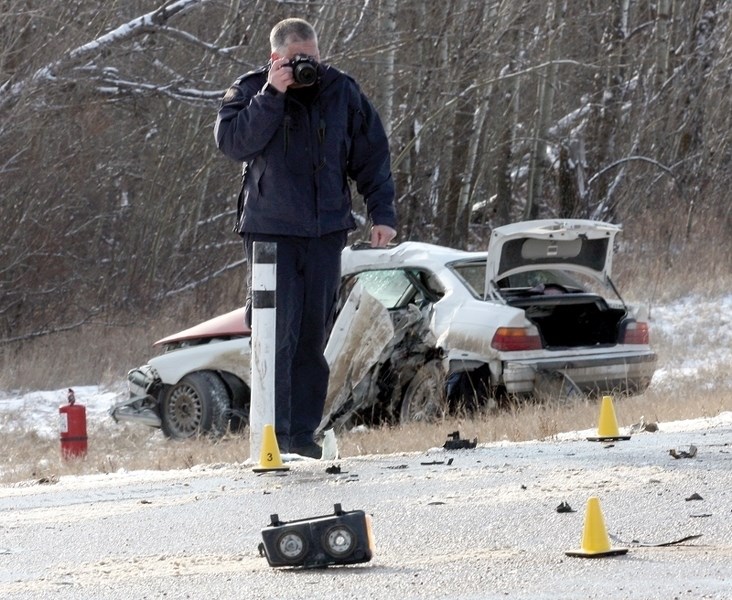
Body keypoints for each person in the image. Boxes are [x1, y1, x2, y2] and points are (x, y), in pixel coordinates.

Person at [214, 18, 397, 458]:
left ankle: (302, 435)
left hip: (324, 230)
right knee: (276, 335)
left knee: (312, 337)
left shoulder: (341, 91)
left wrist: (382, 213)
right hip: (270, 232)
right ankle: (270, 436)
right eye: (297, 60)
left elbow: (372, 155)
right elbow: (234, 143)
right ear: (276, 57)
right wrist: (272, 95)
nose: (306, 67)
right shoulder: (251, 90)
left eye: (312, 58)